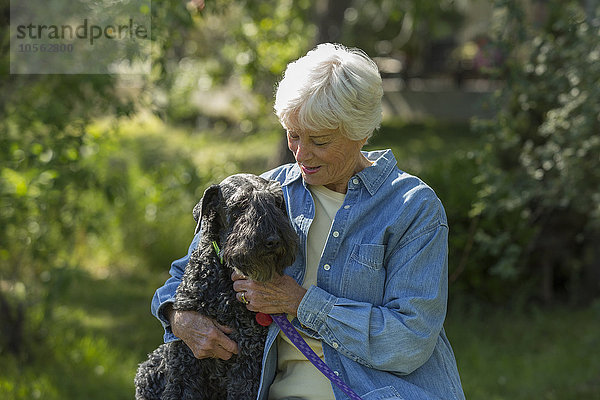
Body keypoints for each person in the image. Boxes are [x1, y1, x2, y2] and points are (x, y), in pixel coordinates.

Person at [151, 43, 465, 400]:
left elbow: (408, 339)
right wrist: (180, 318)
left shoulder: (412, 208)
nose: (301, 154)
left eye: (319, 140)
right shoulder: (265, 194)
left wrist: (301, 302)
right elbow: (181, 277)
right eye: (294, 135)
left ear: (360, 132)